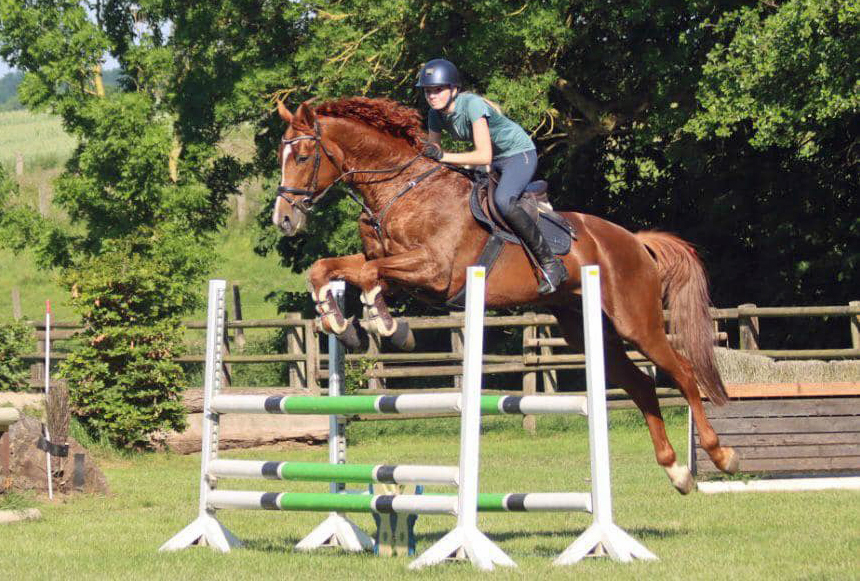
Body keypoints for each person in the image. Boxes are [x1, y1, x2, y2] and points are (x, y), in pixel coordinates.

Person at [416, 58, 568, 294]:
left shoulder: (473, 105)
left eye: (438, 90)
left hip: (518, 155)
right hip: (491, 159)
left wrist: (444, 156)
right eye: (428, 91)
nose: (432, 96)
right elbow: (433, 154)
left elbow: (483, 156)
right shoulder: (435, 115)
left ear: (454, 89)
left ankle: (551, 264)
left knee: (503, 201)